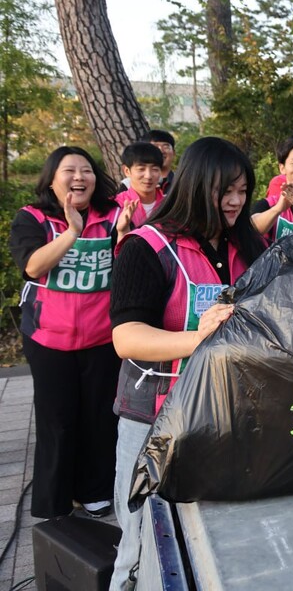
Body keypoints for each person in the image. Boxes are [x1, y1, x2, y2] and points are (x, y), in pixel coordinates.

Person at [109, 137, 266, 590]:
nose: (236, 201)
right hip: (155, 416)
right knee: (140, 543)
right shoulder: (147, 246)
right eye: (226, 191)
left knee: (208, 538)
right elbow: (126, 337)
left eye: (243, 190)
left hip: (224, 414)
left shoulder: (247, 243)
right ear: (199, 186)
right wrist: (196, 338)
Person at [8, 146, 135, 519]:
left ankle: (95, 490)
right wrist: (73, 232)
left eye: (87, 170)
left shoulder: (113, 214)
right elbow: (33, 266)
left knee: (99, 417)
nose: (80, 177)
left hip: (101, 337)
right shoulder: (31, 218)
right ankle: (53, 501)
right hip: (48, 338)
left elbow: (128, 266)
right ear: (51, 179)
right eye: (70, 170)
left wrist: (124, 234)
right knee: (58, 420)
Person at [113, 142, 164, 228]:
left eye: (155, 169)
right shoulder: (114, 206)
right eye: (141, 169)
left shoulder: (170, 205)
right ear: (127, 171)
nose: (148, 176)